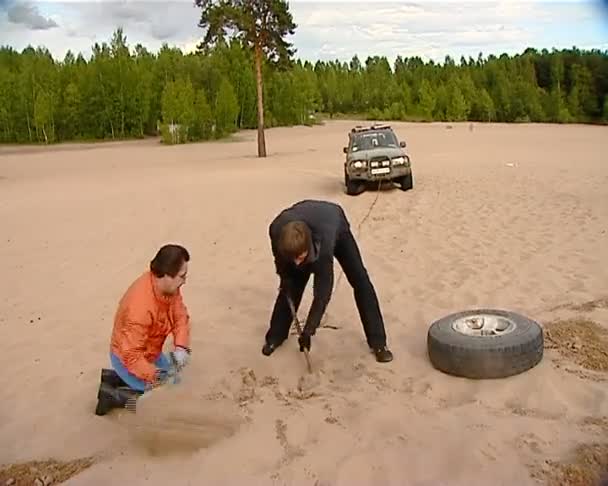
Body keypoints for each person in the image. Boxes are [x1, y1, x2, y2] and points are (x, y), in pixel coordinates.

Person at [262, 199, 393, 363]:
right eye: (293, 258)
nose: (297, 263)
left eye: (301, 257)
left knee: (360, 279)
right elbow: (280, 262)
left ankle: (378, 342)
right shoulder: (276, 229)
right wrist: (284, 277)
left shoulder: (323, 246)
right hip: (309, 219)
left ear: (309, 246)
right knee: (291, 285)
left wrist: (309, 330)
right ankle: (275, 336)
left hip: (336, 224)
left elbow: (322, 293)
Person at [94, 244, 192, 416]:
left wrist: (181, 348)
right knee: (159, 400)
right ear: (166, 275)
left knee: (175, 382)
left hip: (150, 352)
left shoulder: (170, 288)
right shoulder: (140, 308)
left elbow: (180, 316)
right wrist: (156, 377)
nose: (185, 280)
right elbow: (131, 355)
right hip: (126, 357)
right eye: (181, 276)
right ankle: (113, 397)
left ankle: (114, 378)